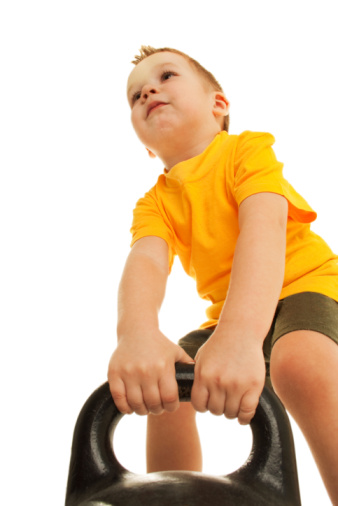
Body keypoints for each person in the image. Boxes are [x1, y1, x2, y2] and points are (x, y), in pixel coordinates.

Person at [107, 45, 338, 503]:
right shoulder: (154, 203)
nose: (148, 90)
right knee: (167, 388)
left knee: (299, 363)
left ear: (219, 105)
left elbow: (264, 229)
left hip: (306, 284)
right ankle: (173, 496)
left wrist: (239, 336)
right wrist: (136, 333)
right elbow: (147, 262)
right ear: (145, 147)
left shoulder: (246, 151)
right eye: (135, 96)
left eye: (166, 76)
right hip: (227, 317)